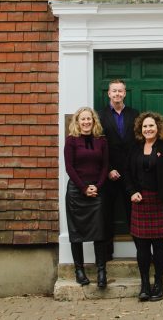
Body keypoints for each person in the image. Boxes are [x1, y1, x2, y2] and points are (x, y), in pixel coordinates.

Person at [123, 111, 163, 303]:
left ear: (158, 128)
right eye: (145, 126)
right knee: (141, 246)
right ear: (141, 129)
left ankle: (159, 283)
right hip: (140, 201)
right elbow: (127, 173)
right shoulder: (134, 148)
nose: (148, 129)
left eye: (151, 126)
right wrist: (132, 191)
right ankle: (144, 285)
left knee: (158, 244)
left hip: (160, 200)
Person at [64, 106, 110, 288]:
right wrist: (83, 188)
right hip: (77, 191)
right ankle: (79, 271)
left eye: (89, 119)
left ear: (94, 121)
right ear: (77, 121)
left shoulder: (102, 141)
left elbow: (105, 166)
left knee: (99, 233)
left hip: (97, 190)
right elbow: (69, 167)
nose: (86, 122)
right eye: (82, 119)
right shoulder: (71, 140)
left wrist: (97, 186)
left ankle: (101, 271)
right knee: (76, 233)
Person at [96, 79, 139, 263]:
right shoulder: (100, 115)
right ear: (108, 93)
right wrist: (108, 169)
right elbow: (99, 146)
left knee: (135, 213)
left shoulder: (134, 114)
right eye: (114, 91)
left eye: (120, 91)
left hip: (131, 172)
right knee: (107, 214)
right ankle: (106, 254)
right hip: (109, 174)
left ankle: (141, 251)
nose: (117, 94)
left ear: (125, 93)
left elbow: (138, 142)